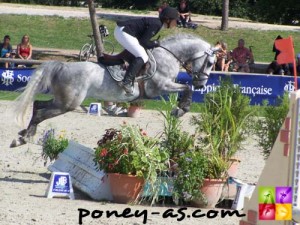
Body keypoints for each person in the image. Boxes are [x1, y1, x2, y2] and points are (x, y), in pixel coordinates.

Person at [115, 7, 179, 95]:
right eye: (175, 20)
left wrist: (153, 43)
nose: (176, 23)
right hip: (124, 32)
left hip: (123, 31)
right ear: (167, 20)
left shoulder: (158, 23)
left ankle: (126, 73)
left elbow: (143, 40)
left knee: (140, 53)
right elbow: (144, 42)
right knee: (143, 57)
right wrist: (156, 43)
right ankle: (126, 82)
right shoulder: (157, 24)